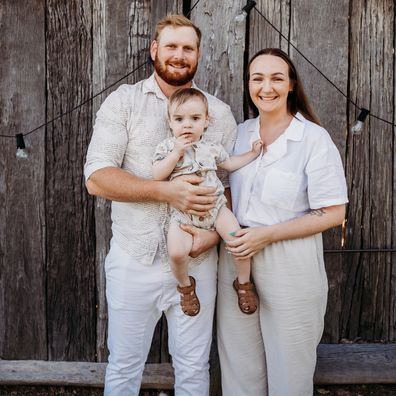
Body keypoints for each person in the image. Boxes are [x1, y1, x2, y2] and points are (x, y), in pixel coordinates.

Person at [84, 14, 237, 396]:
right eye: (171, 46)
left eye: (188, 48)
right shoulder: (124, 102)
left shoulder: (218, 114)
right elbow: (97, 177)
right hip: (135, 259)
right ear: (155, 50)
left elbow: (230, 187)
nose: (179, 55)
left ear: (198, 54)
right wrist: (167, 192)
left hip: (198, 260)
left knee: (193, 368)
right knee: (123, 367)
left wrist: (213, 240)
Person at [217, 48, 348, 396]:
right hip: (236, 257)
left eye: (277, 77)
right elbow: (224, 190)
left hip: (289, 260)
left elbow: (335, 212)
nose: (266, 86)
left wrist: (267, 234)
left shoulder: (312, 139)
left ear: (291, 84)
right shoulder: (240, 134)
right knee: (239, 370)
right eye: (257, 78)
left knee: (290, 372)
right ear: (248, 85)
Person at [153, 87, 262, 316]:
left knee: (238, 240)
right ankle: (185, 287)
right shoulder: (166, 148)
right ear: (170, 122)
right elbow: (157, 175)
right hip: (183, 215)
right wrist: (175, 154)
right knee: (175, 252)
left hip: (216, 209)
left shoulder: (212, 148)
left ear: (206, 122)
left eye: (195, 119)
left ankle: (243, 283)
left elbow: (230, 164)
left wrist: (252, 154)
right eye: (179, 119)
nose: (187, 125)